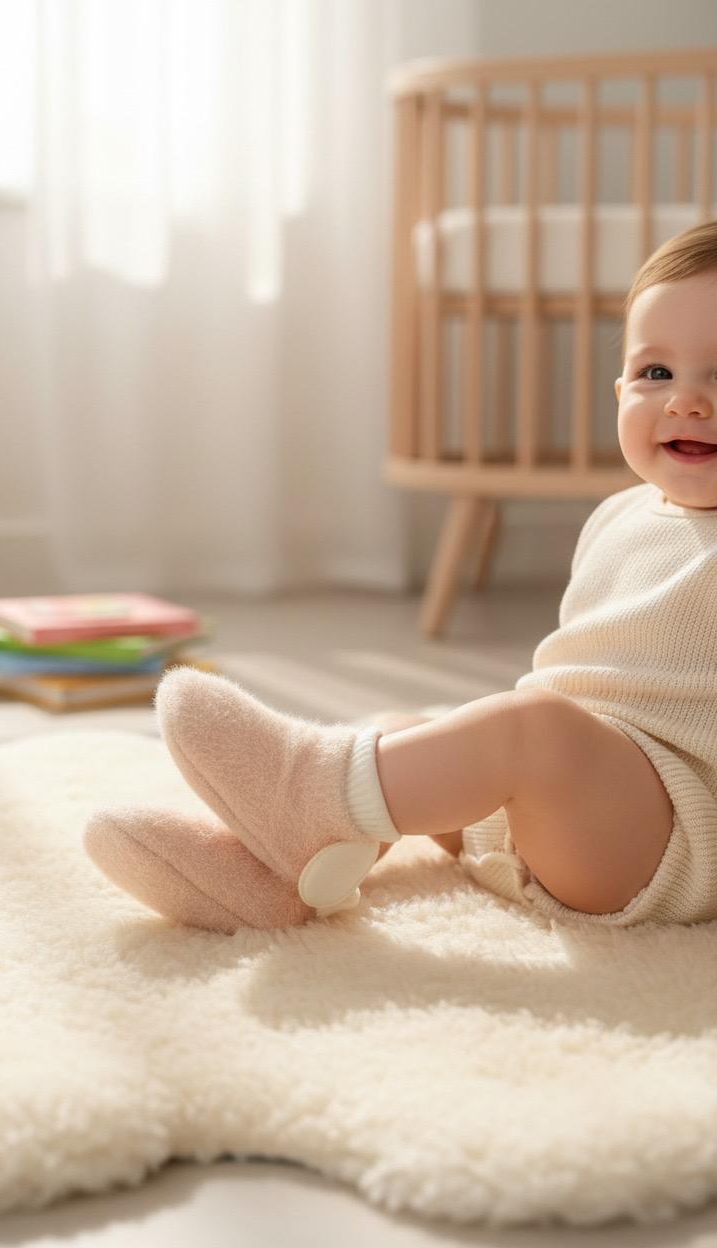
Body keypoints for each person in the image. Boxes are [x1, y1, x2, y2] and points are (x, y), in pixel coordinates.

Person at [85, 221, 717, 934]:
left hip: (665, 846)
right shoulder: (618, 516)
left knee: (530, 730)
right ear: (619, 387)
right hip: (548, 815)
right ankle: (269, 878)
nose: (685, 401)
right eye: (655, 373)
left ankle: (306, 793)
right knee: (400, 732)